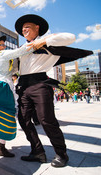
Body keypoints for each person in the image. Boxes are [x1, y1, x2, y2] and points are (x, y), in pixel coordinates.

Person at [14, 14, 92, 167]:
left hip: (40, 85)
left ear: (37, 28)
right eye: (23, 29)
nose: (24, 30)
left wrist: (44, 41)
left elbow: (71, 37)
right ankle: (38, 152)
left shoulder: (48, 43)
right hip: (23, 86)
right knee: (23, 120)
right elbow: (16, 68)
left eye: (27, 26)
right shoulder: (21, 48)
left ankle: (61, 154)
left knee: (46, 120)